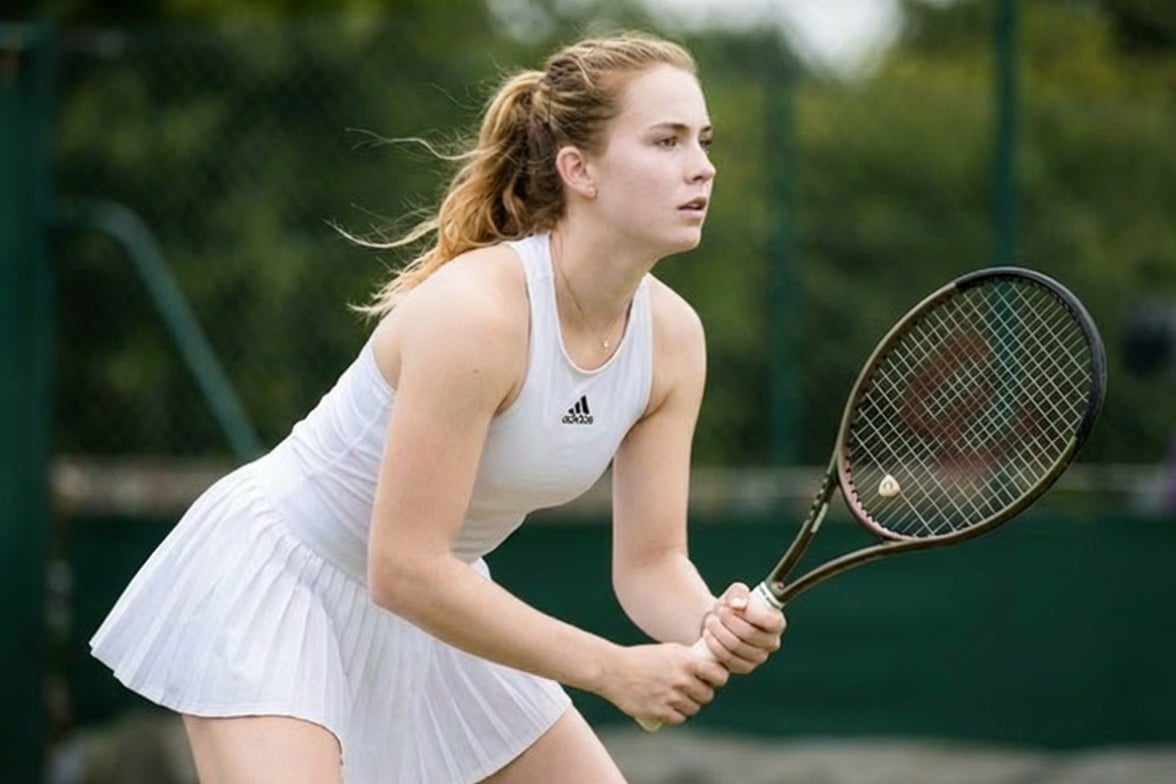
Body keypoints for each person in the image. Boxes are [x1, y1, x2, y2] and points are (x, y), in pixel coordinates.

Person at [90, 30, 786, 784]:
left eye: (703, 140)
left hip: (437, 598)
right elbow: (403, 568)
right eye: (666, 140)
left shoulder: (674, 340)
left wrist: (710, 620)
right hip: (281, 579)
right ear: (578, 169)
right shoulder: (477, 315)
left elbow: (651, 565)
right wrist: (611, 669)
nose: (702, 166)